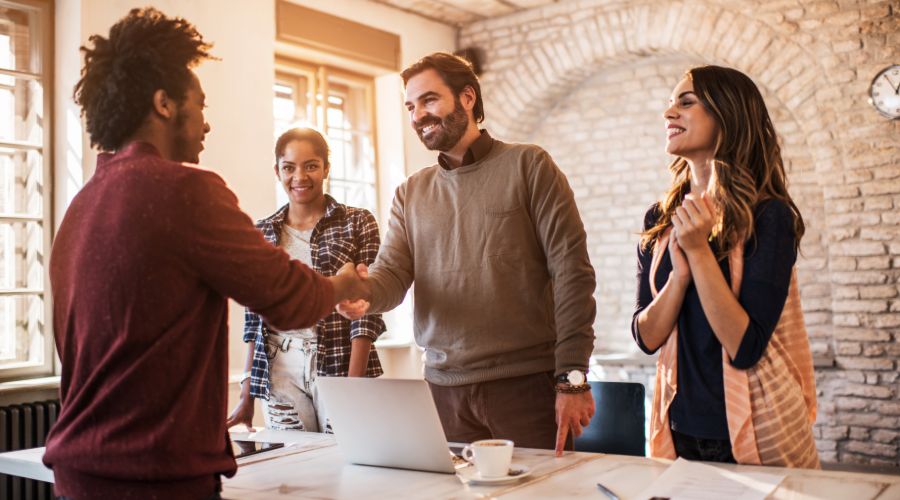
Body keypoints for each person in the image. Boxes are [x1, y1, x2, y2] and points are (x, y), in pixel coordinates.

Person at [43, 8, 368, 499]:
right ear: (164, 103)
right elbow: (289, 298)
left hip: (79, 474)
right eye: (201, 104)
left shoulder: (81, 205)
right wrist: (345, 284)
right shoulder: (185, 191)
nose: (207, 124)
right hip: (155, 477)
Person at [339, 52, 597, 456]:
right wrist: (364, 292)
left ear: (468, 98)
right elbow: (391, 275)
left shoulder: (529, 166)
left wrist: (572, 380)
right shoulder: (410, 193)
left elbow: (573, 275)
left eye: (429, 100)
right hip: (442, 394)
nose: (417, 116)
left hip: (526, 387)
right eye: (410, 107)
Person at [632, 65, 819, 468]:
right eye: (669, 103)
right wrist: (680, 277)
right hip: (679, 427)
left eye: (686, 102)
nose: (669, 113)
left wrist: (698, 252)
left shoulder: (769, 216)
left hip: (756, 426)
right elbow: (646, 337)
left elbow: (745, 347)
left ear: (727, 115)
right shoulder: (660, 219)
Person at [227, 128, 385, 433]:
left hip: (339, 364)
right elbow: (254, 318)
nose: (299, 176)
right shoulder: (262, 232)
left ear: (326, 167)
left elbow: (369, 308)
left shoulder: (358, 221)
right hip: (279, 368)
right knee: (295, 471)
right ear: (277, 171)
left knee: (345, 464)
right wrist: (247, 393)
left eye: (311, 165)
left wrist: (353, 388)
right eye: (289, 167)